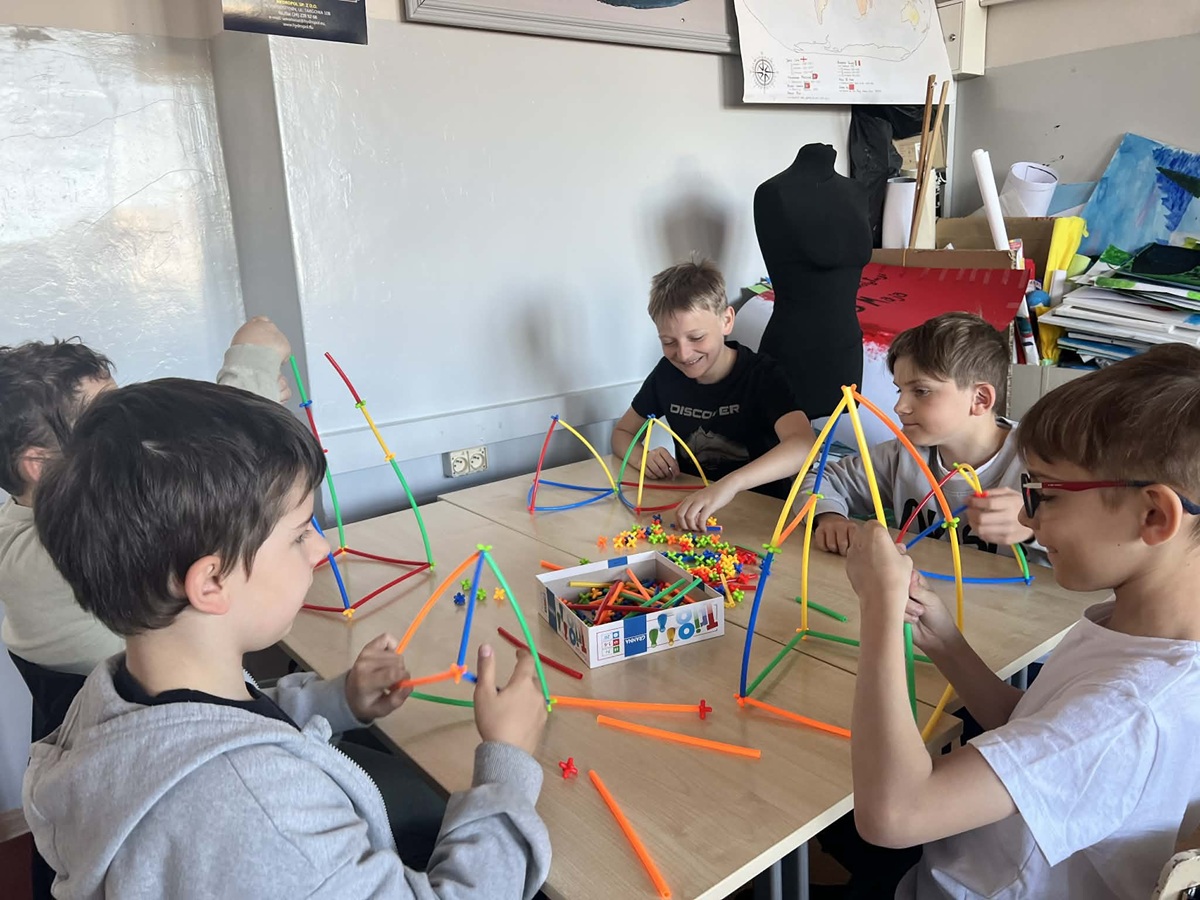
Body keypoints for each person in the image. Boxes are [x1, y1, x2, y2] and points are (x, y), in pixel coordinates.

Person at [24, 378, 551, 898]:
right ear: (212, 582)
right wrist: (506, 767)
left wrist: (337, 701)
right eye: (300, 533)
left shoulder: (115, 696)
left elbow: (217, 726)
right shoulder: (264, 820)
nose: (322, 549)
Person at [842, 343, 1200, 899]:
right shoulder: (1139, 630)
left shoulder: (1130, 710)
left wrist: (880, 611)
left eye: (1046, 494)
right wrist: (945, 642)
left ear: (1153, 515)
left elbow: (894, 815)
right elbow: (1035, 730)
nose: (1029, 519)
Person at [805, 312, 1036, 561]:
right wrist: (829, 516)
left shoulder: (1043, 462)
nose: (900, 407)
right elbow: (820, 479)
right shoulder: (902, 455)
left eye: (921, 391)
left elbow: (1071, 542)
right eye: (900, 391)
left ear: (980, 399)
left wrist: (1035, 526)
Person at [612, 258, 814, 530]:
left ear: (726, 321)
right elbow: (623, 432)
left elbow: (803, 445)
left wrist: (730, 485)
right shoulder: (666, 375)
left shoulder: (762, 375)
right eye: (668, 342)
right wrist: (641, 457)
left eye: (696, 338)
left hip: (762, 517)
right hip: (694, 514)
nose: (683, 354)